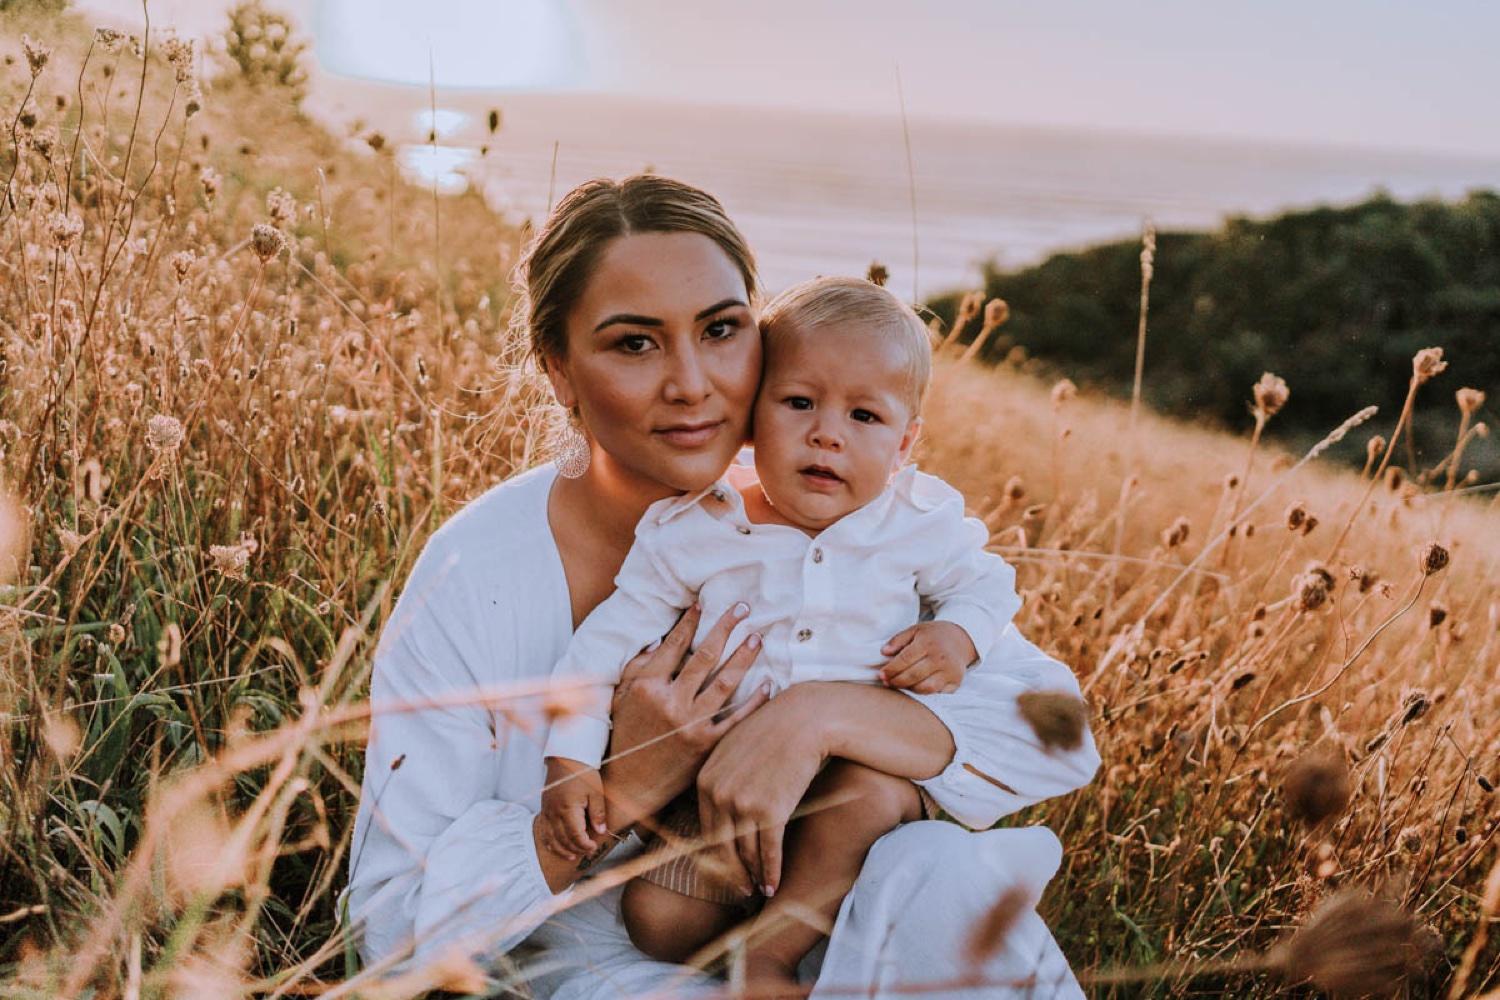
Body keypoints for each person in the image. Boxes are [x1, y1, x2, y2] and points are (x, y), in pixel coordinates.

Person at [343, 174, 1101, 999]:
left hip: (815, 928)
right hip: (602, 970)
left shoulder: (832, 515)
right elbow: (388, 934)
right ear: (559, 371)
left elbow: (1056, 736)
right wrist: (627, 785)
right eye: (635, 343)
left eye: (721, 330)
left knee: (944, 876)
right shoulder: (476, 573)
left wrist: (815, 719)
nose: (693, 383)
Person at [538, 275, 1029, 991]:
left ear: (905, 441)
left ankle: (770, 950)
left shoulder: (915, 522)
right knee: (656, 921)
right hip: (721, 781)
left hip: (849, 777)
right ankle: (749, 916)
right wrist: (570, 758)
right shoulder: (699, 529)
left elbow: (988, 585)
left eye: (865, 417)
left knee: (867, 802)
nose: (827, 432)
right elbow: (601, 649)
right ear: (751, 417)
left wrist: (957, 636)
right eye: (799, 403)